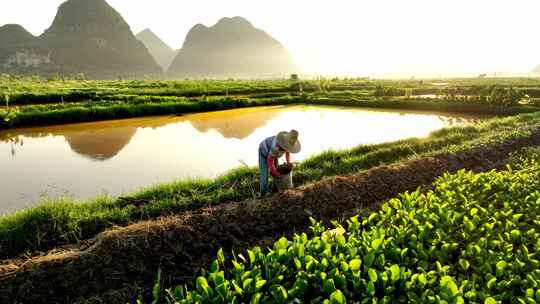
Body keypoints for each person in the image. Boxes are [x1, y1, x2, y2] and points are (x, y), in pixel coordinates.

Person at [258, 129, 301, 196]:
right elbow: (269, 160)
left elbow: (287, 153)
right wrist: (275, 172)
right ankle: (263, 195)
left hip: (273, 155)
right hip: (264, 153)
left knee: (276, 171)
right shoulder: (276, 147)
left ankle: (275, 189)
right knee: (265, 176)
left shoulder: (286, 144)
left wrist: (288, 162)